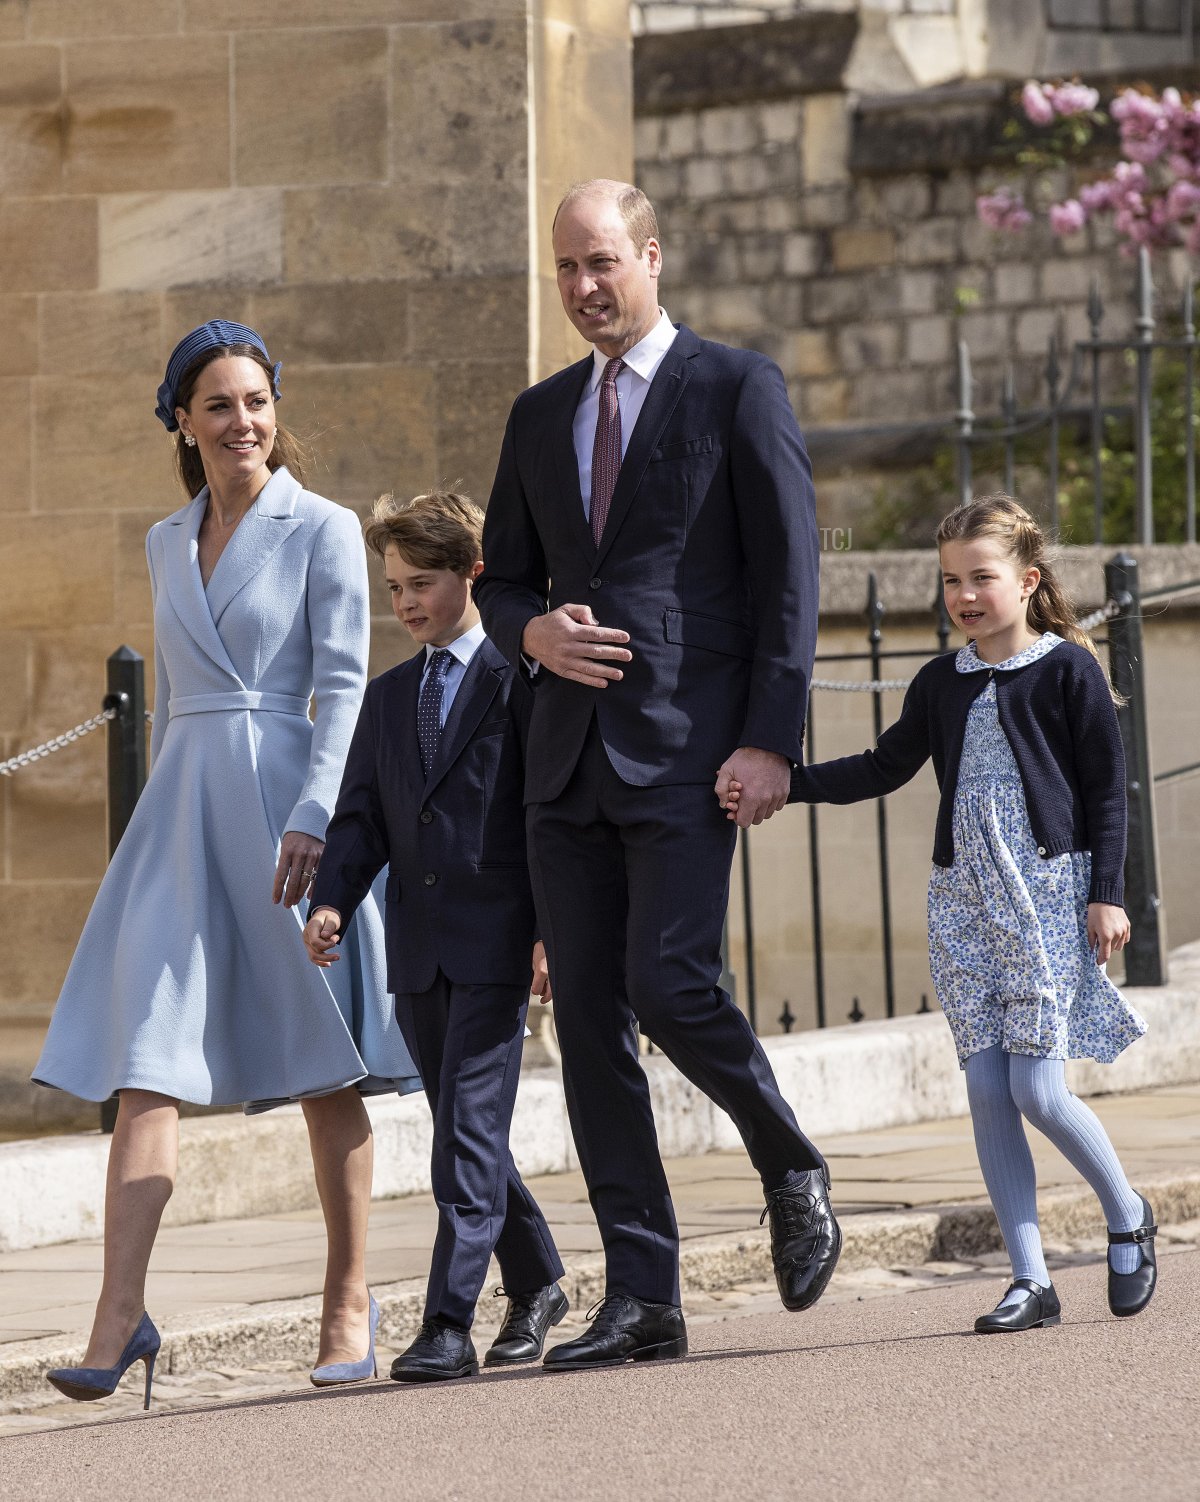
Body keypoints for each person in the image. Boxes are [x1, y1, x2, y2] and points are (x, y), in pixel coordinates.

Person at [474, 179, 840, 1371]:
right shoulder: (537, 417)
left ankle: (788, 1156)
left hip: (692, 750)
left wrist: (769, 739)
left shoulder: (738, 387)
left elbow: (789, 576)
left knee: (672, 982)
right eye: (567, 269)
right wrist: (530, 633)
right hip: (561, 766)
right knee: (586, 1026)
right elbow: (499, 581)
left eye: (602, 263)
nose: (585, 288)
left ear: (651, 256)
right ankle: (644, 1291)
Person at [34, 320, 420, 1406]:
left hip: (289, 804)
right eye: (220, 404)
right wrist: (157, 827)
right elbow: (173, 696)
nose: (244, 420)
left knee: (321, 1058)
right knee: (145, 1058)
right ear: (183, 420)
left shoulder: (325, 526)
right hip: (182, 812)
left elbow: (343, 684)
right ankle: (119, 1311)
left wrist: (318, 811)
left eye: (257, 400)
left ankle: (350, 1298)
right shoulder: (164, 539)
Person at [730, 494, 1156, 1333]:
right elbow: (884, 766)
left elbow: (1110, 791)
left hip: (1046, 893)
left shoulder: (1068, 670)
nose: (964, 595)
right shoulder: (940, 682)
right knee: (990, 1088)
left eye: (982, 578)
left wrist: (1108, 892)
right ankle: (1030, 1279)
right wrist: (787, 779)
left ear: (1028, 582)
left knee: (1038, 1085)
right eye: (950, 580)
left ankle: (1127, 1210)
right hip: (963, 897)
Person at [303, 490, 567, 1383]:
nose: (408, 603)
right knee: (468, 1128)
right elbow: (361, 818)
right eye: (394, 589)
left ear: (472, 577)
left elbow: (544, 817)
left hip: (498, 943)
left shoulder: (519, 676)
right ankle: (537, 1282)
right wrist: (332, 901)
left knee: (463, 1138)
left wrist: (548, 934)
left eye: (423, 583)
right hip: (417, 950)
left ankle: (447, 1323)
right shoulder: (386, 699)